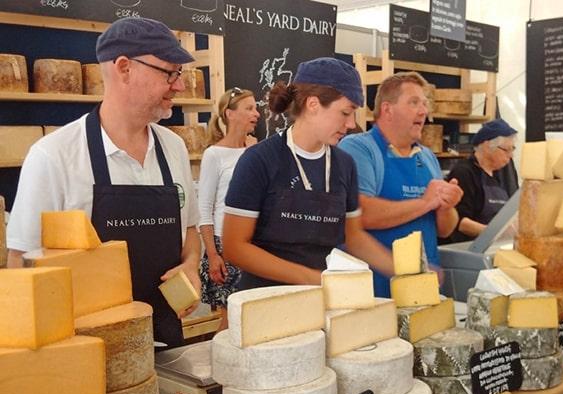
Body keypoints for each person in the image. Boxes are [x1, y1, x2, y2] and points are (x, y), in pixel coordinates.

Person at [6, 17, 201, 348]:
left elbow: (191, 233)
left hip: (166, 336)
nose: (179, 86)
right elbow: (21, 266)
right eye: (169, 73)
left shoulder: (174, 148)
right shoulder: (54, 157)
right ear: (124, 68)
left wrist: (191, 265)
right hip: (86, 350)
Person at [221, 57, 394, 289]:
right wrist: (312, 278)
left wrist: (401, 270)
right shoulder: (260, 161)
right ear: (313, 105)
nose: (352, 124)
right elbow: (234, 247)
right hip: (264, 303)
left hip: (320, 300)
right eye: (345, 112)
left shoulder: (344, 165)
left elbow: (353, 237)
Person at [338, 71, 463, 298]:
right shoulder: (359, 148)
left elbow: (445, 229)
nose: (423, 111)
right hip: (375, 293)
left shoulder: (427, 156)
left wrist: (446, 206)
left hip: (423, 288)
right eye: (413, 102)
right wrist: (426, 202)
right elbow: (362, 213)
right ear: (387, 109)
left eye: (425, 104)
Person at [198, 87, 258, 330]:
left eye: (256, 108)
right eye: (249, 108)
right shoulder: (214, 155)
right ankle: (221, 364)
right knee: (230, 319)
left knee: (253, 315)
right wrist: (213, 254)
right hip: (225, 244)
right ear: (229, 114)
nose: (256, 114)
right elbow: (204, 209)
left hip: (255, 243)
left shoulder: (257, 150)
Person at [444, 118, 517, 243]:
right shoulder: (464, 173)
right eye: (506, 150)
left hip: (492, 246)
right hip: (467, 251)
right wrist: (495, 234)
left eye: (512, 149)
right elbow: (460, 222)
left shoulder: (498, 177)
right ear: (487, 146)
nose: (511, 156)